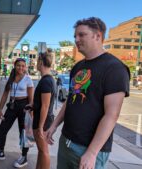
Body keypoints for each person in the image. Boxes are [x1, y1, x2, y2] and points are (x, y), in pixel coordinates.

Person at [46, 17, 130, 169]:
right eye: (75, 36)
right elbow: (71, 100)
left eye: (81, 35)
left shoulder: (115, 68)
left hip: (88, 150)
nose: (76, 40)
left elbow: (111, 115)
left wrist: (91, 153)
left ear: (97, 36)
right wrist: (54, 125)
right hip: (66, 141)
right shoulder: (77, 66)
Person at [0, 58, 34, 168]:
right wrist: (0, 109)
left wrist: (30, 112)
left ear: (25, 67)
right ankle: (0, 152)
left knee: (23, 133)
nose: (21, 67)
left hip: (24, 106)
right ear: (15, 66)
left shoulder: (28, 79)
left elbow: (31, 99)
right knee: (3, 128)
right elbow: (5, 94)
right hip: (12, 105)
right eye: (19, 65)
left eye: (23, 66)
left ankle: (24, 157)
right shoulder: (11, 78)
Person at [33, 50, 56, 169]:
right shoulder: (47, 79)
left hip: (43, 122)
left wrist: (41, 127)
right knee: (41, 151)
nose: (36, 64)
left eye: (37, 61)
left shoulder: (46, 81)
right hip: (42, 120)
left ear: (41, 62)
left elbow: (45, 106)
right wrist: (32, 106)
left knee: (44, 152)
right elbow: (42, 103)